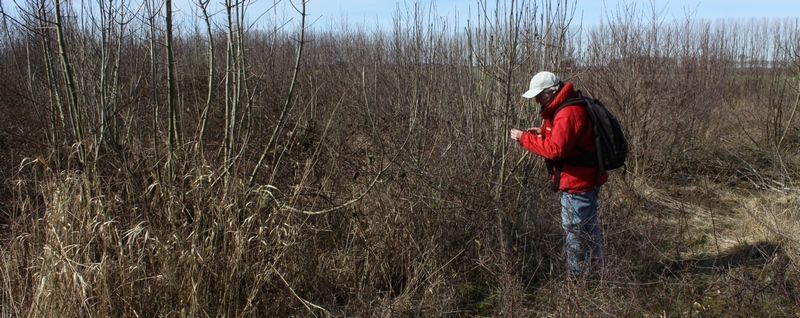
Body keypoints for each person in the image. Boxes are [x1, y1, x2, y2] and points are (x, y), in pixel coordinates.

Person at [509, 71, 606, 277]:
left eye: (539, 95)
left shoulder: (567, 112)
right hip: (580, 180)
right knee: (587, 231)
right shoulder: (565, 107)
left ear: (550, 93)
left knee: (576, 233)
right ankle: (596, 276)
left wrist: (524, 138)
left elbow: (557, 150)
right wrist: (543, 133)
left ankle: (578, 283)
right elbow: (567, 139)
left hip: (577, 184)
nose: (536, 100)